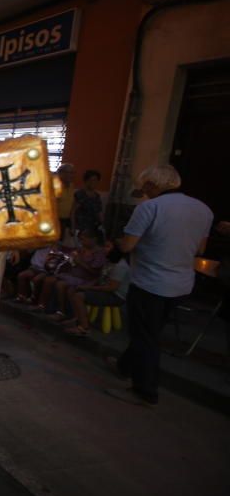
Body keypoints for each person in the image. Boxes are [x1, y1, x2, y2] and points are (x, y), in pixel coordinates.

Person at [109, 165, 212, 406]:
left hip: (150, 283)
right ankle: (124, 366)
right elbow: (200, 250)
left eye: (145, 186)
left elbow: (126, 246)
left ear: (153, 185)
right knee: (150, 331)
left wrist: (122, 243)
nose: (143, 191)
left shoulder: (150, 207)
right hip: (181, 285)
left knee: (145, 337)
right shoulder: (203, 209)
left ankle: (145, 391)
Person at [61, 242, 130, 337]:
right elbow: (101, 278)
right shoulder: (109, 261)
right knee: (74, 290)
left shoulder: (120, 266)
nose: (104, 248)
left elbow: (111, 287)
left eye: (107, 246)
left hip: (115, 296)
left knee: (78, 296)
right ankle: (77, 318)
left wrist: (88, 287)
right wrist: (86, 285)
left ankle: (84, 328)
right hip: (105, 290)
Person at [33, 229, 106, 315]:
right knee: (49, 280)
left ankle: (61, 312)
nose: (81, 242)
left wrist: (80, 262)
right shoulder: (81, 249)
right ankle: (42, 306)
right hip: (72, 275)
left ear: (93, 239)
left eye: (84, 239)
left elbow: (95, 273)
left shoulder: (99, 253)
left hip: (86, 279)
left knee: (60, 285)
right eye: (80, 239)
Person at [72, 169, 103, 235]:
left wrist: (102, 225)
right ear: (86, 181)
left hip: (93, 227)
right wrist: (73, 227)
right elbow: (73, 212)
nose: (93, 182)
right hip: (81, 227)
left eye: (95, 180)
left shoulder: (97, 196)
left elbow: (99, 212)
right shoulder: (80, 194)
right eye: (91, 180)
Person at [55, 163, 76, 242]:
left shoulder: (71, 186)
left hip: (65, 221)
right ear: (60, 173)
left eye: (72, 173)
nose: (71, 175)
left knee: (59, 244)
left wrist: (72, 225)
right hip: (54, 221)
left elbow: (72, 206)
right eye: (68, 172)